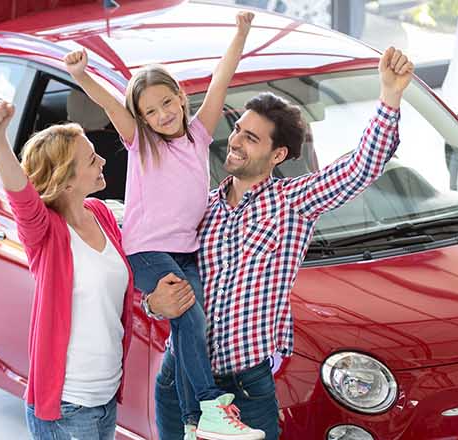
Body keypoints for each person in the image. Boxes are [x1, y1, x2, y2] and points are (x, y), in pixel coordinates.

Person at [146, 47, 417, 440]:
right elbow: (156, 270)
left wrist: (390, 96)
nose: (235, 141)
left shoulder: (293, 202)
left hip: (243, 386)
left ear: (278, 154)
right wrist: (153, 304)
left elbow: (361, 165)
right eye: (238, 128)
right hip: (180, 379)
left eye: (251, 138)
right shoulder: (198, 206)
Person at [64, 10, 264, 440]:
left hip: (185, 250)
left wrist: (241, 33)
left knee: (194, 326)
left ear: (179, 97)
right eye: (151, 112)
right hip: (146, 250)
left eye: (167, 103)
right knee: (189, 315)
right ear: (144, 120)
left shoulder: (198, 136)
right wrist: (83, 75)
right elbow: (110, 105)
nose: (163, 115)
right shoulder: (142, 145)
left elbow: (221, 81)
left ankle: (194, 424)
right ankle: (210, 405)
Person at [0, 102, 193, 440]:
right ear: (66, 181)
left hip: (105, 399)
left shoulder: (101, 214)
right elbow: (21, 197)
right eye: (92, 159)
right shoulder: (46, 234)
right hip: (67, 407)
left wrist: (154, 305)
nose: (104, 161)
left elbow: (122, 286)